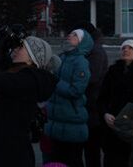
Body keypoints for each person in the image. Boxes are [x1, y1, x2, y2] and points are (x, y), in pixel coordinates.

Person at [0, 31, 58, 167]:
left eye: (21, 48)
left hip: (8, 153)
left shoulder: (26, 81)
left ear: (31, 58)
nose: (16, 50)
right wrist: (4, 47)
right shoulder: (26, 77)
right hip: (10, 149)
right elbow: (0, 71)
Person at [97, 39, 133, 166]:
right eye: (124, 48)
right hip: (113, 126)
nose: (126, 50)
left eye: (131, 48)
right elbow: (102, 98)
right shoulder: (112, 71)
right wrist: (105, 114)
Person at [46, 29, 93, 167]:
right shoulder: (61, 57)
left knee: (72, 161)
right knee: (56, 161)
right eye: (70, 33)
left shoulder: (81, 62)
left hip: (72, 122)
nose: (69, 36)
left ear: (82, 42)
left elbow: (76, 90)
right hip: (56, 122)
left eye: (74, 35)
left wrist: (55, 81)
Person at [80, 23, 108, 167]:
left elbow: (92, 77)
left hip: (92, 105)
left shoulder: (95, 50)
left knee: (92, 149)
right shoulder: (89, 48)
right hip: (88, 105)